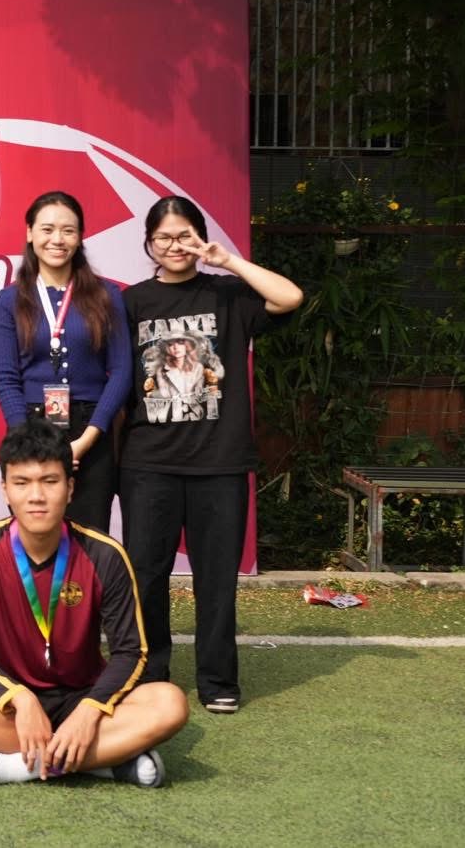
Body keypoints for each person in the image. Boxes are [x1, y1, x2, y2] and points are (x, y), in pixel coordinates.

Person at [0, 423, 188, 790]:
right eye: (22, 483)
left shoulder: (105, 554)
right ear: (5, 489)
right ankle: (104, 762)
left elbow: (131, 651)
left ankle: (6, 766)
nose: (36, 496)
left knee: (170, 703)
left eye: (50, 481)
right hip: (7, 704)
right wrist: (21, 698)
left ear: (70, 488)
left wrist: (90, 710)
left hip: (82, 696)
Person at [120, 195, 301, 716]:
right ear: (149, 243)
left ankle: (218, 679)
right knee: (145, 576)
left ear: (200, 238)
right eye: (164, 237)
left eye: (185, 235)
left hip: (220, 464)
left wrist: (229, 261)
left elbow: (290, 297)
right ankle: (149, 674)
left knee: (216, 580)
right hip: (148, 464)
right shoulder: (131, 303)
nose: (175, 246)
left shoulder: (228, 295)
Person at [0, 191, 132, 529]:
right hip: (31, 428)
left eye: (68, 230)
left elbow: (122, 371)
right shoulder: (9, 300)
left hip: (91, 431)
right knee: (36, 533)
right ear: (30, 233)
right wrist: (28, 440)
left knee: (90, 534)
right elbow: (6, 378)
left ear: (80, 236)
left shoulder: (107, 295)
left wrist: (87, 440)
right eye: (47, 229)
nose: (57, 239)